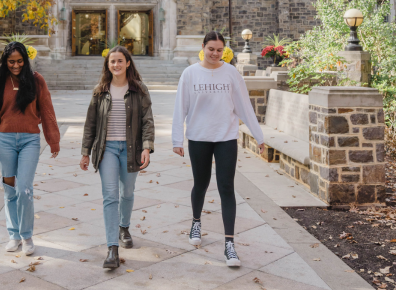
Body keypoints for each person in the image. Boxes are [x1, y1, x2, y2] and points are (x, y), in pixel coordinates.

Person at [172, 31, 265, 267]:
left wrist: (259, 135)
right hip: (199, 137)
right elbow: (180, 108)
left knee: (226, 188)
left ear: (224, 50)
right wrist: (176, 140)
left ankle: (230, 245)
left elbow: (244, 106)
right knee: (200, 184)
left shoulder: (231, 73)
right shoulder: (190, 73)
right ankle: (196, 222)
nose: (214, 53)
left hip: (226, 137)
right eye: (211, 48)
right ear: (203, 47)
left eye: (219, 49)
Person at [80, 46, 155, 269]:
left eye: (120, 61)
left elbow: (148, 120)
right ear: (108, 65)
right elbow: (90, 124)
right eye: (112, 62)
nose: (116, 65)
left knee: (128, 192)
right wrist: (85, 152)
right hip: (107, 149)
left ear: (128, 63)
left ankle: (124, 226)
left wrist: (147, 147)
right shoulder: (100, 91)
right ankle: (112, 247)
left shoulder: (139, 90)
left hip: (131, 149)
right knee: (110, 196)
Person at [0, 42, 60, 255]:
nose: (16, 65)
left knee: (24, 189)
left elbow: (47, 110)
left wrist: (53, 139)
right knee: (9, 190)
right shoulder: (0, 82)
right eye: (11, 62)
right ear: (5, 62)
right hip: (5, 140)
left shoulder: (36, 81)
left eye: (20, 61)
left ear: (25, 60)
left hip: (29, 140)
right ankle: (14, 235)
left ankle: (26, 236)